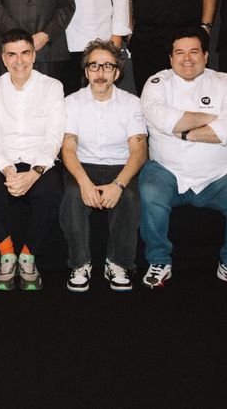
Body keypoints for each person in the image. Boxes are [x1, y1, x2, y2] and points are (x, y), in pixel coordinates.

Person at [138, 27, 227, 291]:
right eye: (179, 53)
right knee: (149, 191)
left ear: (206, 55)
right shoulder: (156, 83)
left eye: (194, 52)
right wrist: (211, 118)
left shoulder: (226, 83)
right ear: (170, 58)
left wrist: (182, 132)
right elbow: (160, 119)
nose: (187, 59)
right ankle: (159, 261)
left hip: (218, 174)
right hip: (166, 170)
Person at [0, 29, 65, 291]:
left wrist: (35, 173)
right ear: (3, 59)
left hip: (40, 161)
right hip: (5, 161)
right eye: (11, 55)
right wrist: (7, 170)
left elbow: (54, 137)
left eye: (25, 53)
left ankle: (28, 256)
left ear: (34, 55)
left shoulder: (52, 87)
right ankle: (7, 255)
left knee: (51, 189)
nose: (19, 61)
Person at [59, 39, 147, 292]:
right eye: (94, 66)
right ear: (86, 71)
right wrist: (84, 182)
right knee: (74, 195)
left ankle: (118, 263)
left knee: (129, 197)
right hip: (82, 164)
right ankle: (80, 264)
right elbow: (68, 148)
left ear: (117, 72)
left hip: (120, 165)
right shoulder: (71, 102)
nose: (100, 73)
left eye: (107, 67)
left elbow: (138, 151)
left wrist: (119, 185)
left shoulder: (132, 103)